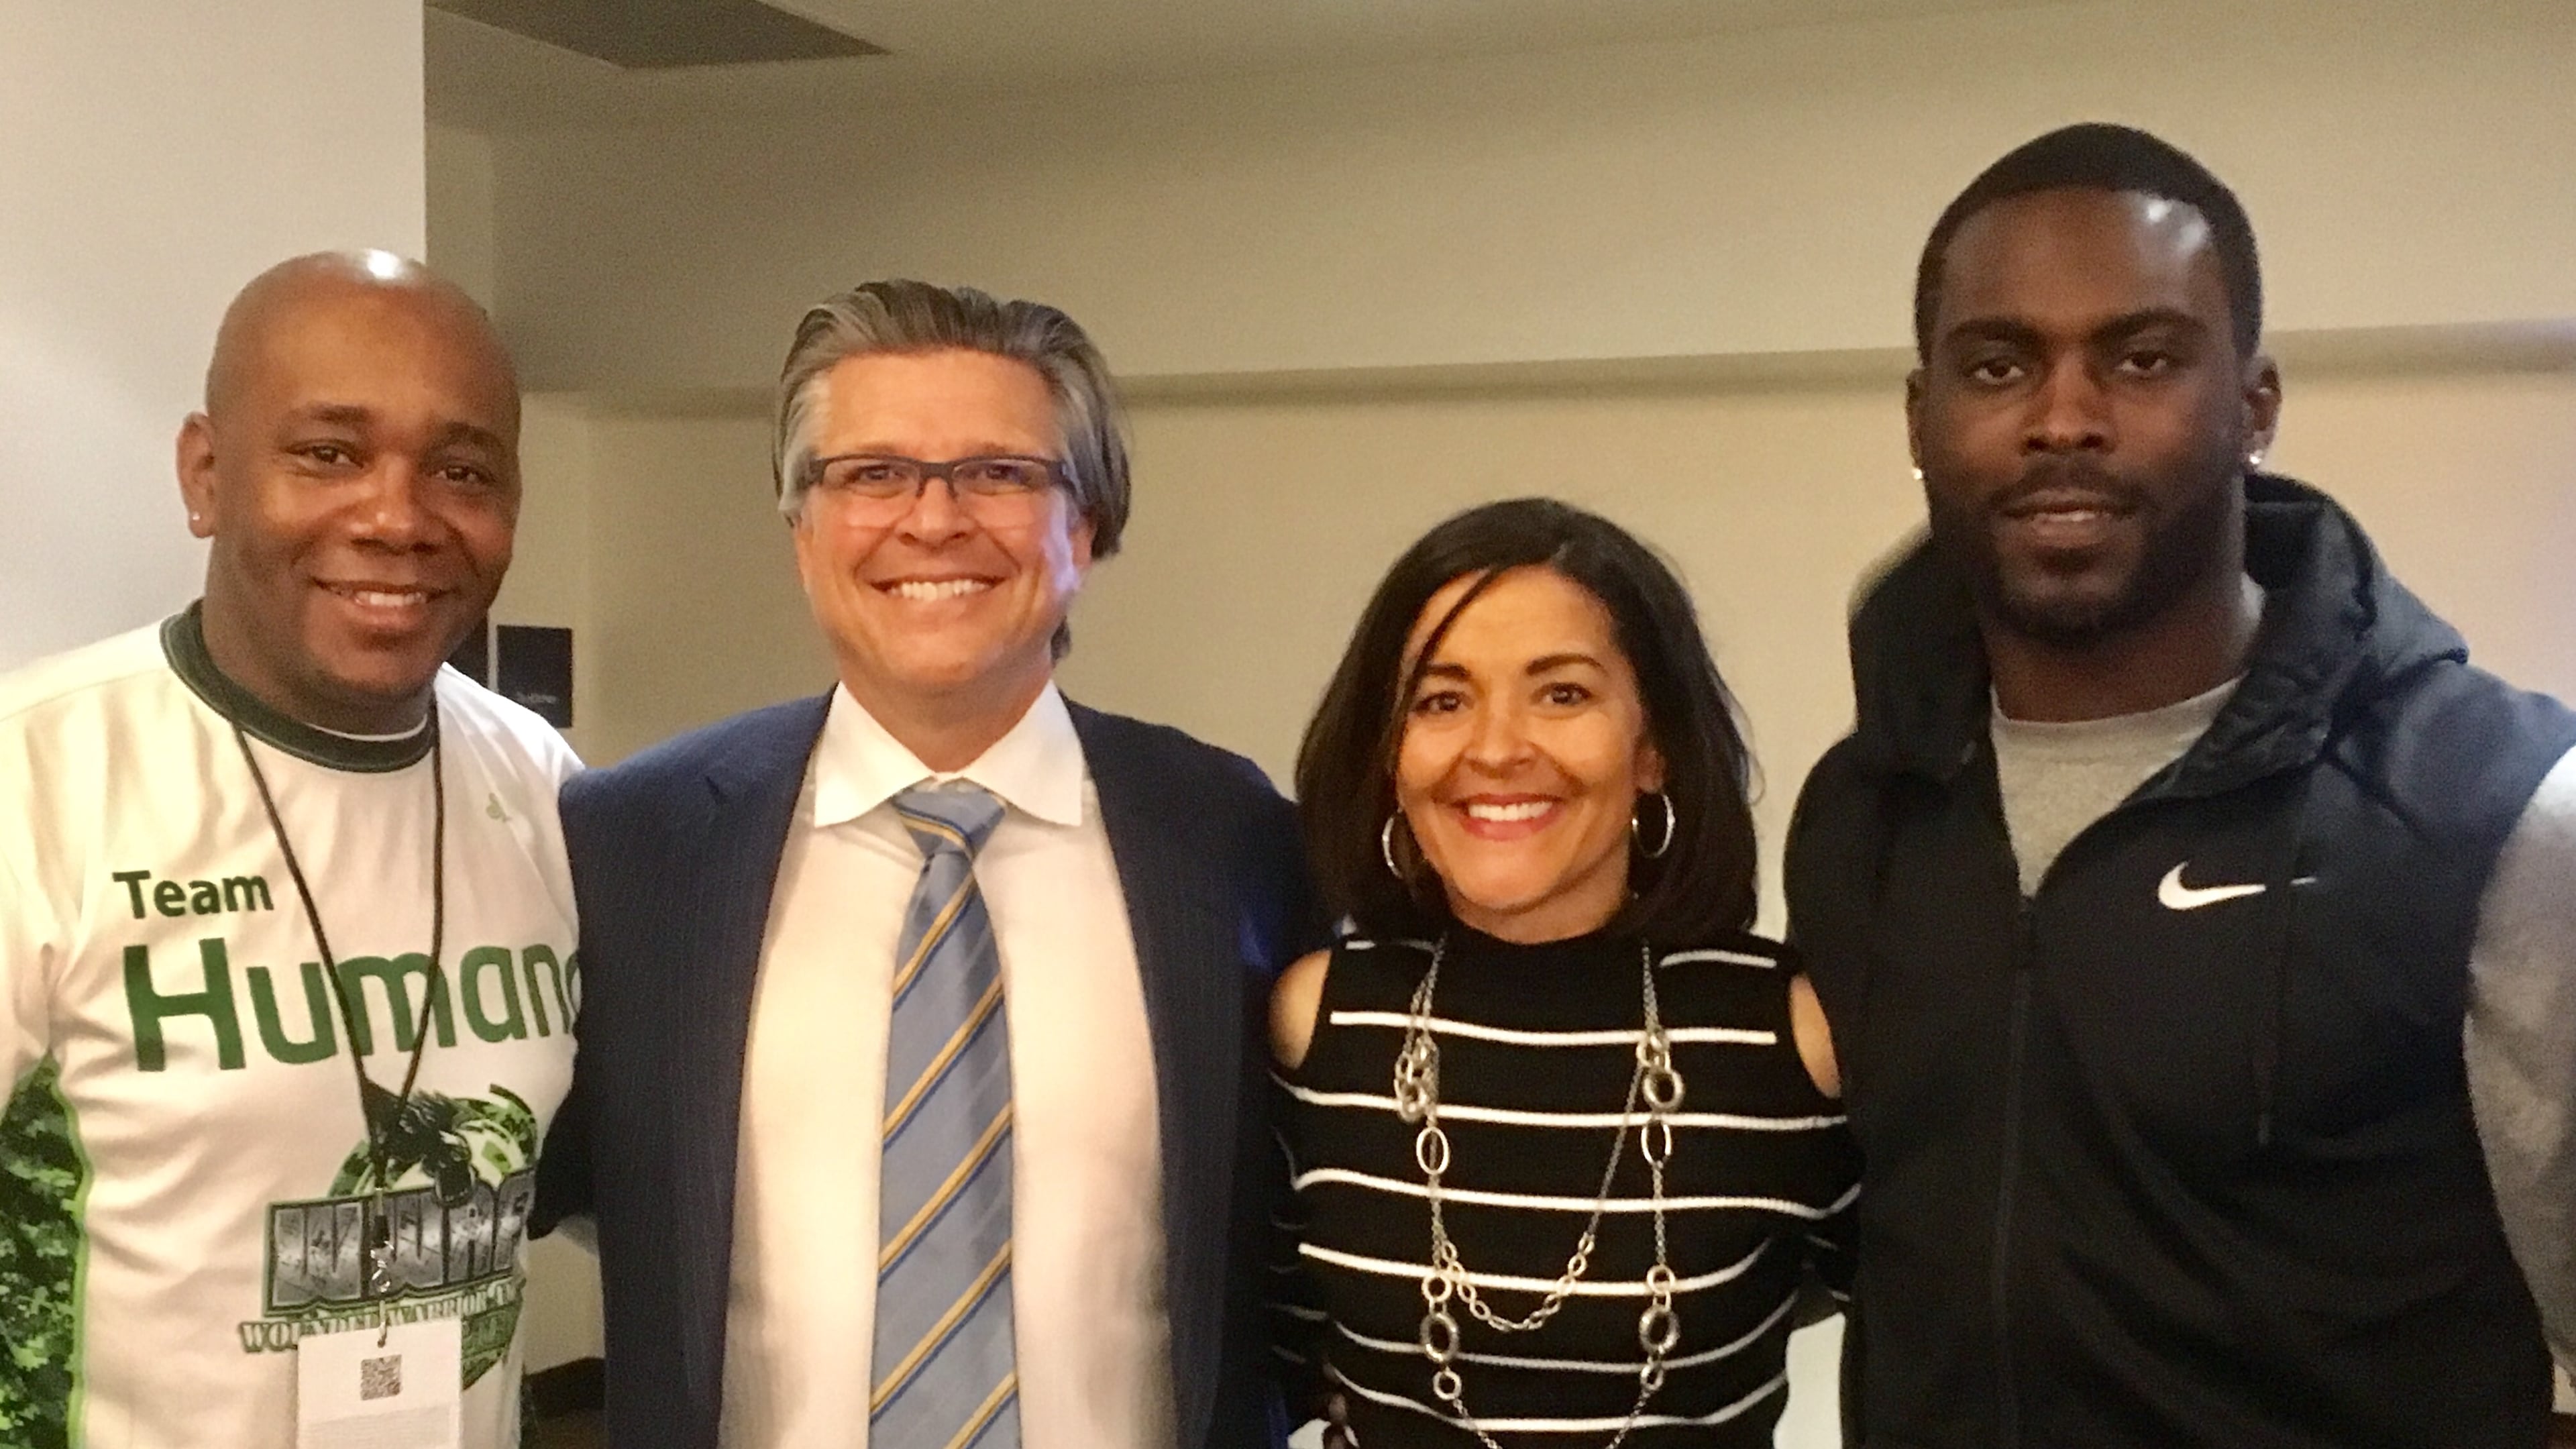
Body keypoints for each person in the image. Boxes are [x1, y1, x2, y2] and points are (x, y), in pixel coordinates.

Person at [1785, 122, 2576, 1448]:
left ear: (2253, 405)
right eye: (1998, 366)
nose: (2064, 418)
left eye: (2142, 358)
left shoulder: (2498, 806)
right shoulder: (1866, 807)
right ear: (1921, 417)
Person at [533, 280, 1321, 1449]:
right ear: (802, 529)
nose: (935, 520)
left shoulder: (1230, 837)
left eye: (1001, 473)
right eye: (872, 474)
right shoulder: (631, 844)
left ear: (1087, 526)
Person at [0, 252, 579, 1448]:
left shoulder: (549, 791)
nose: (397, 517)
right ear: (206, 475)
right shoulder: (36, 780)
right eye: (329, 454)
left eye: (462, 470)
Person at [1270, 498, 1857, 1446]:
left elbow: (1915, 1321)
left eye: (1563, 694)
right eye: (1442, 700)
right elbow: (1279, 1349)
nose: (1497, 750)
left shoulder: (1792, 1035)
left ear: (1654, 746)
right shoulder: (1316, 1020)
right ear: (1391, 751)